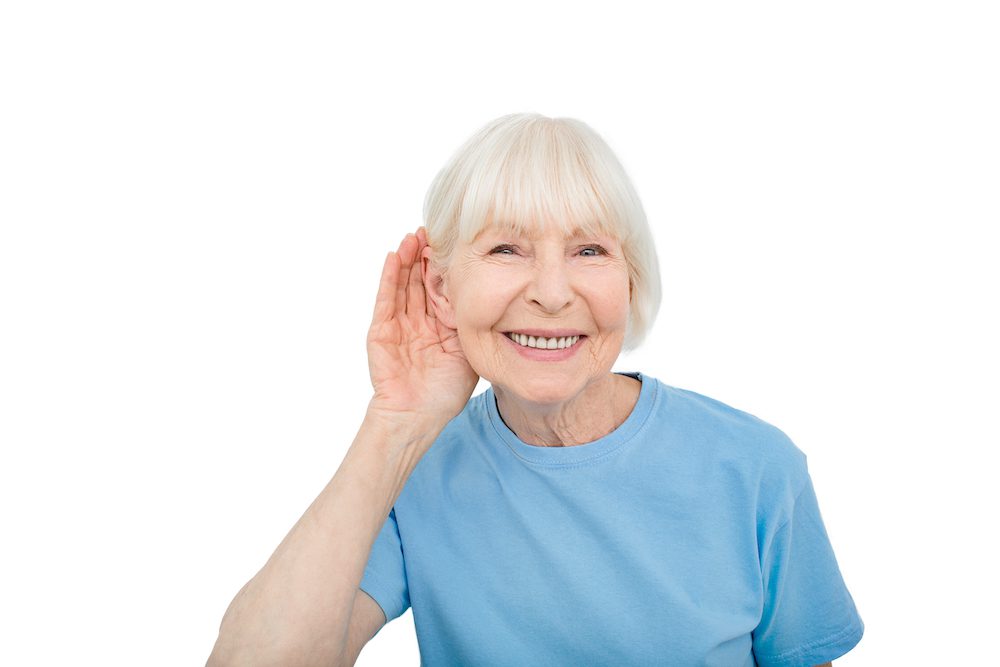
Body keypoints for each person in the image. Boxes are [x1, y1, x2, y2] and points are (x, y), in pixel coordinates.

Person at [207, 113, 864, 667]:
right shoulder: (414, 469)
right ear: (441, 288)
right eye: (506, 250)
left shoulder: (756, 469)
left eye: (589, 251)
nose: (551, 293)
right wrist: (396, 423)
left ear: (630, 282)